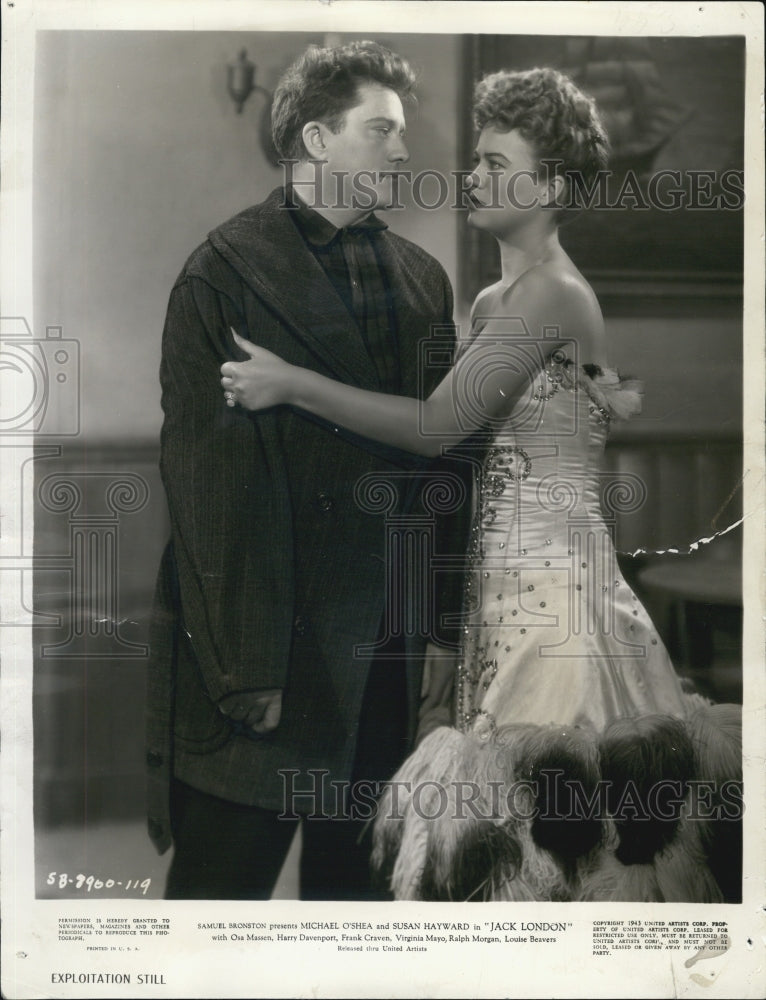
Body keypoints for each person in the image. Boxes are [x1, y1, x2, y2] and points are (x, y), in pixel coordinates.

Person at [220, 67, 740, 901]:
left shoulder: (551, 294)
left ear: (554, 185)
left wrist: (292, 383)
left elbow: (434, 428)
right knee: (505, 833)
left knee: (556, 837)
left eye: (499, 164)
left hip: (556, 595)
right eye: (479, 160)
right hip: (505, 587)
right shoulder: (500, 295)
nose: (475, 178)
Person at [146, 39, 470, 900]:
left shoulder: (423, 278)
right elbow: (211, 488)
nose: (402, 151)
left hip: (391, 645)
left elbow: (449, 465)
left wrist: (440, 625)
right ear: (318, 141)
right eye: (381, 131)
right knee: (217, 901)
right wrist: (246, 667)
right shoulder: (222, 275)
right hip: (274, 645)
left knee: (360, 903)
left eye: (400, 133)